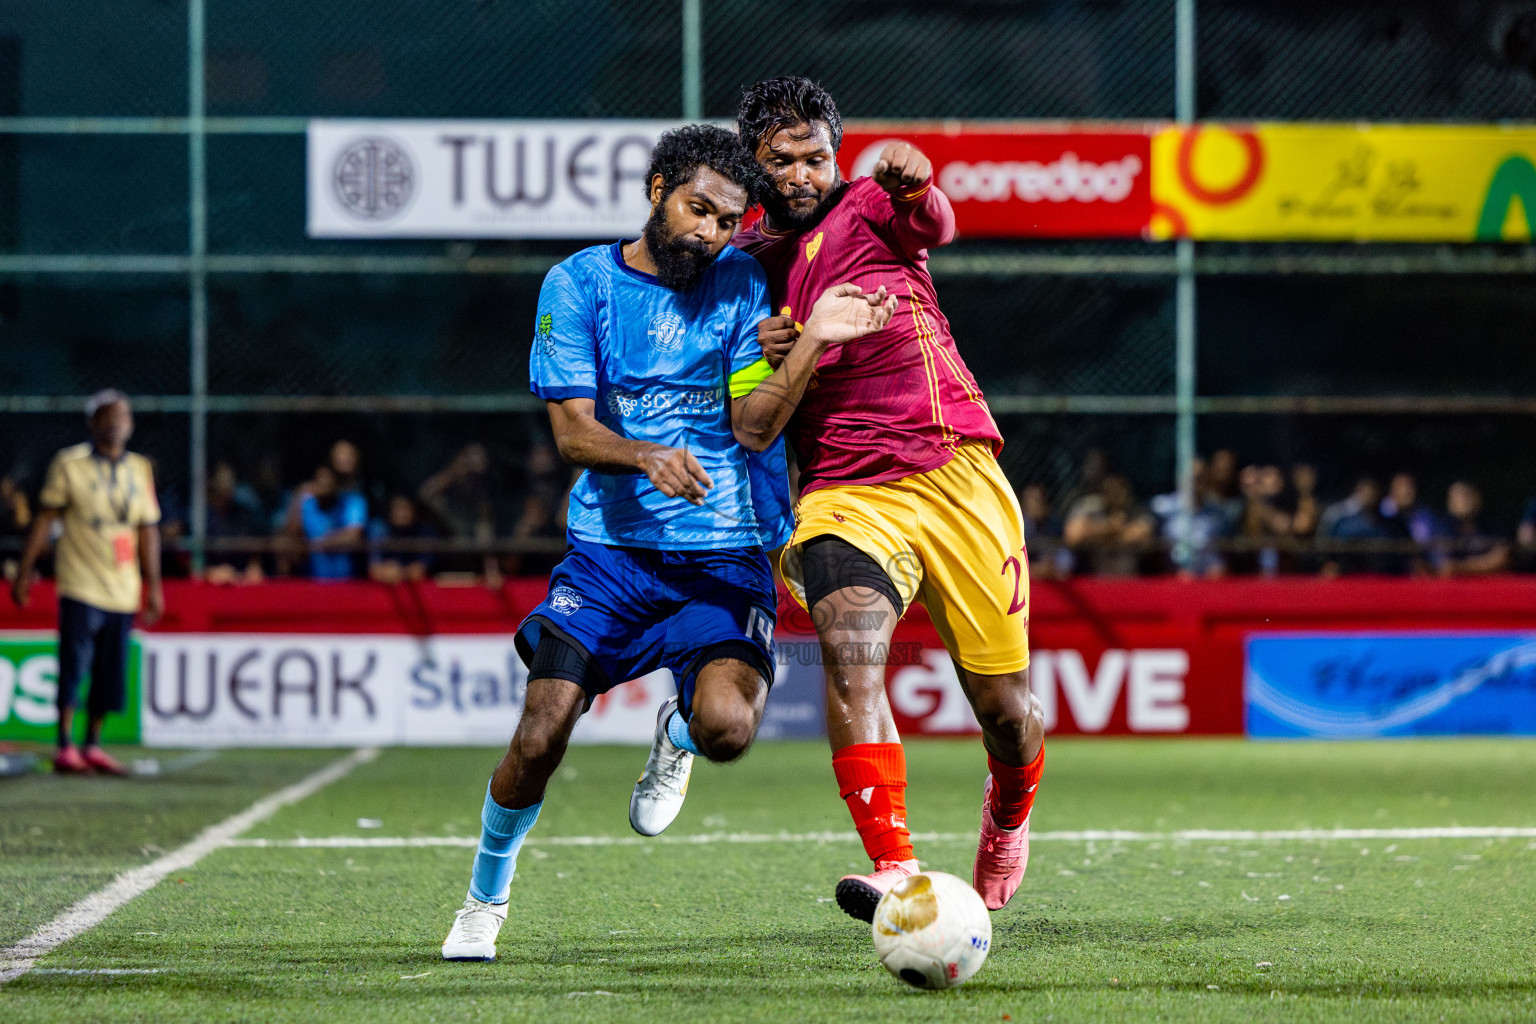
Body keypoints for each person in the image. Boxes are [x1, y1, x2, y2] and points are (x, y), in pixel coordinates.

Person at [439, 123, 894, 962]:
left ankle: (676, 736)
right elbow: (573, 434)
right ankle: (483, 901)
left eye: (727, 221)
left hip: (726, 553)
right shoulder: (578, 283)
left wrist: (801, 349)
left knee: (726, 730)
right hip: (610, 555)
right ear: (657, 191)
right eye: (697, 209)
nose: (710, 233)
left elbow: (754, 421)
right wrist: (645, 454)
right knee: (539, 734)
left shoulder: (742, 284)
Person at [731, 77, 1045, 920]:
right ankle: (896, 866)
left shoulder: (869, 204)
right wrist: (757, 345)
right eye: (782, 160)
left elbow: (934, 224)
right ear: (755, 163)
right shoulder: (743, 269)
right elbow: (742, 399)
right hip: (845, 487)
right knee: (849, 651)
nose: (803, 173)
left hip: (955, 470)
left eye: (816, 156)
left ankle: (1008, 813)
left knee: (1006, 712)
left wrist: (917, 184)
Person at [9, 390, 163, 775]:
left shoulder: (139, 469)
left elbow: (147, 529)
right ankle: (65, 744)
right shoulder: (70, 464)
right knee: (74, 664)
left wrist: (154, 585)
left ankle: (92, 744)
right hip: (80, 581)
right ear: (92, 423)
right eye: (108, 417)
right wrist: (25, 570)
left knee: (110, 671)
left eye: (122, 417)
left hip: (123, 587)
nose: (116, 424)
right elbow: (45, 518)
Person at [284, 464, 367, 580]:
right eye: (319, 481)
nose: (323, 486)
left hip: (346, 580)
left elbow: (352, 536)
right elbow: (292, 536)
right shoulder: (308, 506)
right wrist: (300, 495)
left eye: (328, 481)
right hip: (313, 580)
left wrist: (318, 544)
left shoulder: (348, 504)